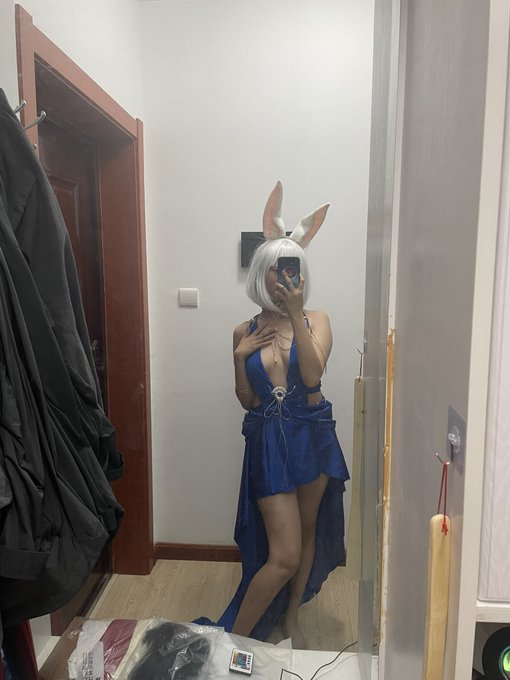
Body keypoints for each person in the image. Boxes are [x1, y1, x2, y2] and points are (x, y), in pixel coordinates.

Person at [216, 181, 349, 649]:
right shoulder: (243, 330)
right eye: (276, 269)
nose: (284, 278)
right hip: (270, 442)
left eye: (292, 269)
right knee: (284, 554)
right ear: (261, 272)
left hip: (312, 434)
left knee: (307, 532)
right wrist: (239, 358)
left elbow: (312, 376)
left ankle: (292, 617)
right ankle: (232, 643)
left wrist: (295, 315)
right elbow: (248, 402)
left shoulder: (317, 320)